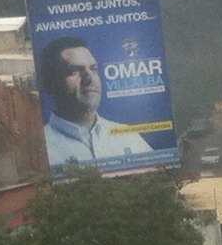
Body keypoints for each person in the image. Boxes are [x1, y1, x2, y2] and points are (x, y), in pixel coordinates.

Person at [38, 36, 153, 166]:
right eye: (74, 70)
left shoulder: (129, 137)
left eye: (93, 69)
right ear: (50, 84)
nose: (89, 78)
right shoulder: (39, 150)